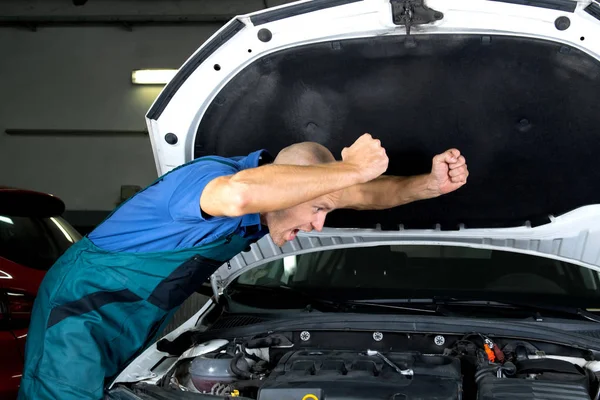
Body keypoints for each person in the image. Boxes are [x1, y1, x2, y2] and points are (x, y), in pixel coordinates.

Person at [18, 133, 468, 399]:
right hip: (81, 313)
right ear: (286, 188)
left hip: (132, 313)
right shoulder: (209, 182)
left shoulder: (280, 197)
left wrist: (427, 185)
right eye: (316, 210)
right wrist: (351, 168)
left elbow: (369, 195)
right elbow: (239, 194)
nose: (317, 224)